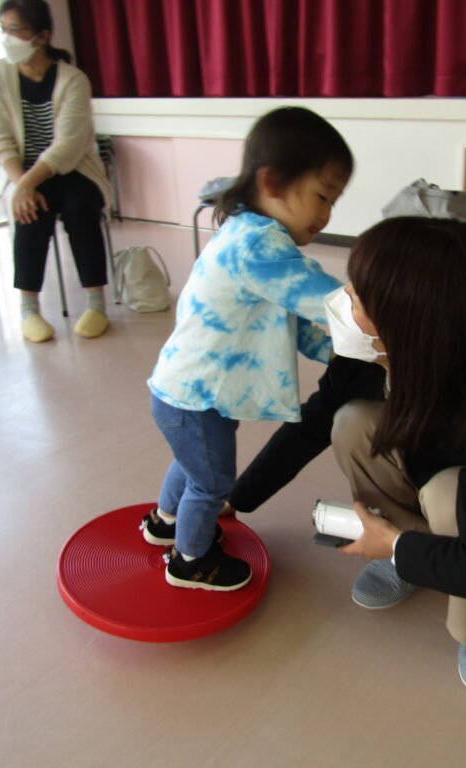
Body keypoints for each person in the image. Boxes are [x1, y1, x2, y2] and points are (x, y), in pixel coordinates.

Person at [226, 217, 466, 695]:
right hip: (463, 488)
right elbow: (311, 425)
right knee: (350, 423)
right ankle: (415, 544)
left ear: (406, 326)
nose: (342, 299)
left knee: (452, 491)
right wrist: (238, 498)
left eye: (358, 295)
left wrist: (394, 547)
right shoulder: (369, 355)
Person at [144, 107, 354, 592]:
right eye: (322, 196)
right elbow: (325, 302)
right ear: (274, 182)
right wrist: (384, 313)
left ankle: (164, 523)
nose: (326, 215)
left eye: (333, 202)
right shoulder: (261, 246)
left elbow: (295, 323)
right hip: (194, 397)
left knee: (192, 462)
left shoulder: (249, 236)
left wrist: (336, 352)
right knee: (212, 483)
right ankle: (190, 561)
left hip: (190, 393)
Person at [0, 0, 112, 343]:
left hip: (72, 170)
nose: (8, 38)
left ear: (42, 36)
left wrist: (26, 183)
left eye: (15, 30)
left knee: (80, 206)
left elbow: (68, 146)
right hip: (20, 171)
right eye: (4, 30)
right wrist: (21, 185)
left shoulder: (73, 80)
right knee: (30, 210)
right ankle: (29, 309)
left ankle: (96, 304)